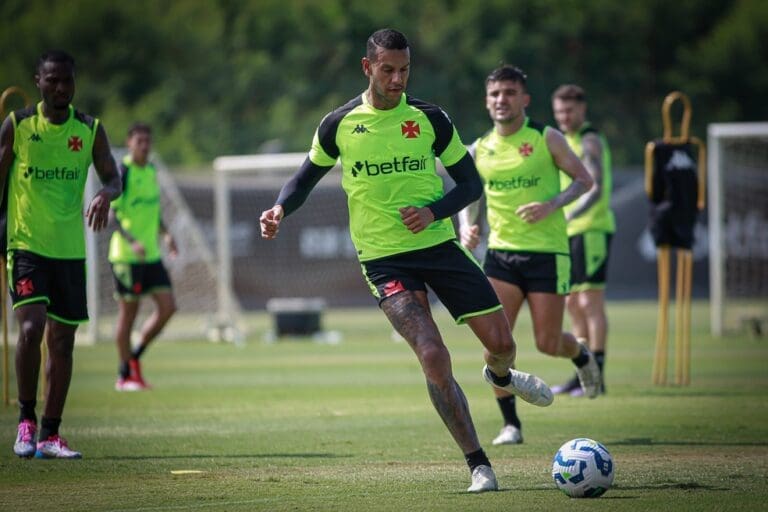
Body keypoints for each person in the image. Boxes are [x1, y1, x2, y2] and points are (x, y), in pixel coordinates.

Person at [260, 29, 553, 493]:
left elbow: (470, 185)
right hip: (383, 260)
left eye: (404, 70)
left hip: (439, 248)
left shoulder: (430, 118)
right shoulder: (338, 124)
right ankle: (479, 464)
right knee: (433, 355)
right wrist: (279, 208)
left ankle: (499, 374)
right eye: (388, 70)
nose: (397, 79)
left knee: (502, 344)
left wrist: (434, 212)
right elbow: (304, 179)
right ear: (367, 67)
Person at [458, 65, 601, 447]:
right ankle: (511, 425)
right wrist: (467, 226)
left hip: (547, 254)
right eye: (495, 94)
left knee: (547, 343)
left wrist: (551, 204)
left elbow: (585, 180)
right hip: (501, 256)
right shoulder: (479, 148)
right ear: (486, 101)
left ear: (524, 99)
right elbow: (470, 196)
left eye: (509, 92)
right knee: (495, 346)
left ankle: (581, 355)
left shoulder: (546, 137)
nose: (501, 100)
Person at [0, 51, 122, 458]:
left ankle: (50, 435)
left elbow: (113, 177)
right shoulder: (18, 125)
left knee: (63, 342)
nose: (60, 87)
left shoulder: (89, 130)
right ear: (38, 80)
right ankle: (26, 421)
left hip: (70, 251)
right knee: (31, 329)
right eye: (52, 80)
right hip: (26, 245)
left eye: (67, 80)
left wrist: (105, 195)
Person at [550, 84, 616, 396]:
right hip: (570, 233)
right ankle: (582, 373)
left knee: (590, 303)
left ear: (582, 110)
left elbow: (596, 188)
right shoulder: (565, 141)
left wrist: (569, 215)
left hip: (591, 229)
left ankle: (597, 376)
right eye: (559, 111)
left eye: (569, 110)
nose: (564, 117)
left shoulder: (589, 140)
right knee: (573, 303)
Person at [108, 122, 178, 391]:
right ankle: (124, 374)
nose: (145, 146)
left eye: (148, 141)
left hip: (151, 255)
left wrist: (167, 234)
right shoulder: (122, 172)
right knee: (129, 314)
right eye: (140, 141)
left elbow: (153, 212)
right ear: (129, 143)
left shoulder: (150, 171)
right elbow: (112, 215)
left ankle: (135, 356)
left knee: (168, 307)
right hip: (126, 256)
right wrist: (132, 241)